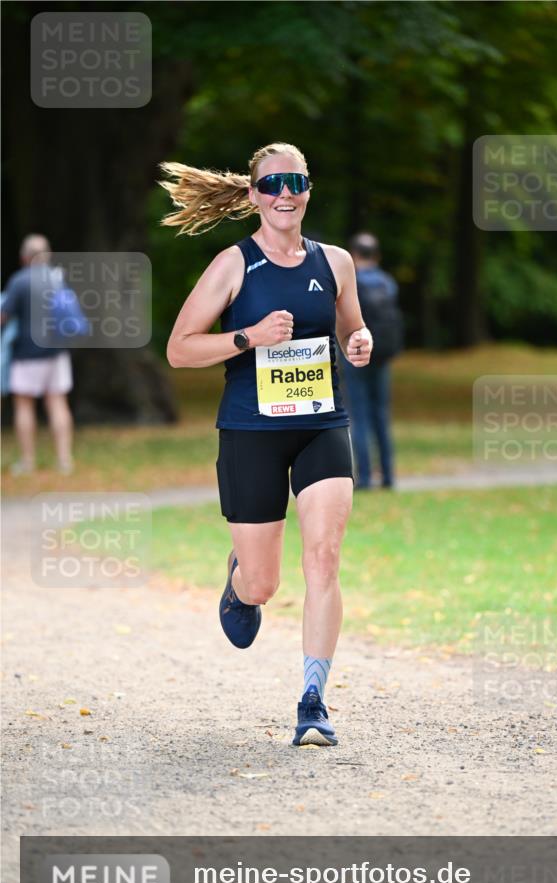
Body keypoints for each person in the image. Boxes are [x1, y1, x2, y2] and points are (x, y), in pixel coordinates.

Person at [160, 142, 373, 747]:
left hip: (321, 424)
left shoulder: (335, 262)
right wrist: (248, 337)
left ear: (309, 190)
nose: (285, 192)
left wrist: (358, 341)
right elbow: (179, 348)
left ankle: (313, 700)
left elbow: (350, 326)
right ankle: (240, 582)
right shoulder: (233, 264)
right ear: (254, 195)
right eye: (273, 182)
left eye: (296, 181)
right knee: (263, 586)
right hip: (251, 431)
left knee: (325, 556)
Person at [1, 234, 75, 475]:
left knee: (24, 405)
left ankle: (28, 461)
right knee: (58, 403)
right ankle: (64, 461)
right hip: (57, 351)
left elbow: (4, 316)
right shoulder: (57, 279)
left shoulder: (19, 281)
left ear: (24, 257)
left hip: (26, 353)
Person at [341, 232, 403, 490]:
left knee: (359, 416)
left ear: (353, 254)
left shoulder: (351, 281)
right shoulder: (388, 283)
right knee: (381, 415)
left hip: (355, 355)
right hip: (383, 355)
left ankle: (364, 477)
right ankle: (388, 476)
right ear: (376, 255)